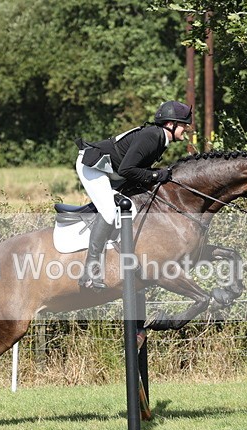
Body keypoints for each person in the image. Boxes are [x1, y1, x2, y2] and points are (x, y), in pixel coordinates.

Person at [75, 100, 193, 290]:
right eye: (184, 125)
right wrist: (156, 174)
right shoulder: (152, 136)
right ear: (170, 124)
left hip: (112, 171)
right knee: (109, 211)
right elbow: (127, 168)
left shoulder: (160, 138)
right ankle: (90, 269)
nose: (186, 129)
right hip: (93, 167)